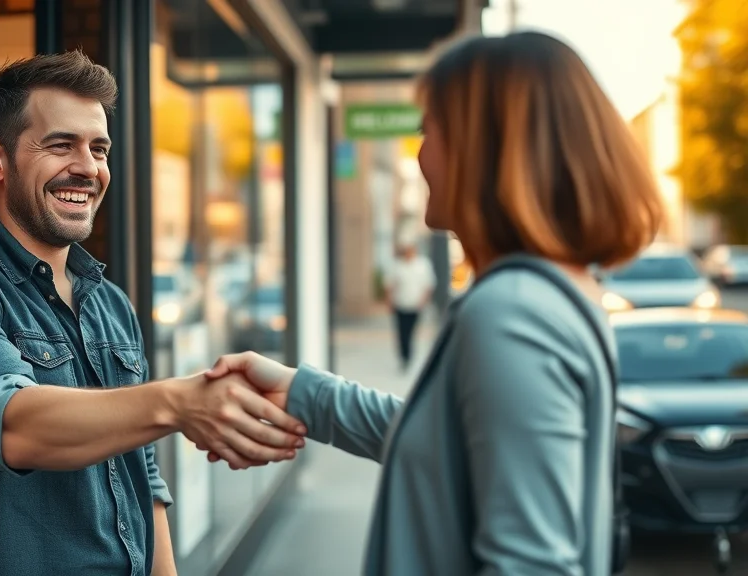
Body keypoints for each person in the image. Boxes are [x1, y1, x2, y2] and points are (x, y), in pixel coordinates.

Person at [204, 31, 663, 575]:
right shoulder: (555, 289)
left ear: (486, 150)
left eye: (430, 130)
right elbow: (463, 447)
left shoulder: (512, 313)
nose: (420, 153)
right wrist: (306, 394)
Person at [0, 51, 304, 576]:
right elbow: (12, 427)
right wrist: (177, 401)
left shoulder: (108, 300)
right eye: (60, 144)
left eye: (98, 149)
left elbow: (143, 470)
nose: (88, 168)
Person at [385, 242, 435, 370]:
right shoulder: (397, 265)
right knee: (402, 332)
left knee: (411, 332)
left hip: (415, 306)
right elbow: (390, 285)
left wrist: (423, 302)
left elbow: (428, 285)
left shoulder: (423, 265)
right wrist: (390, 302)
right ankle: (404, 357)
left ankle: (409, 355)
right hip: (400, 304)